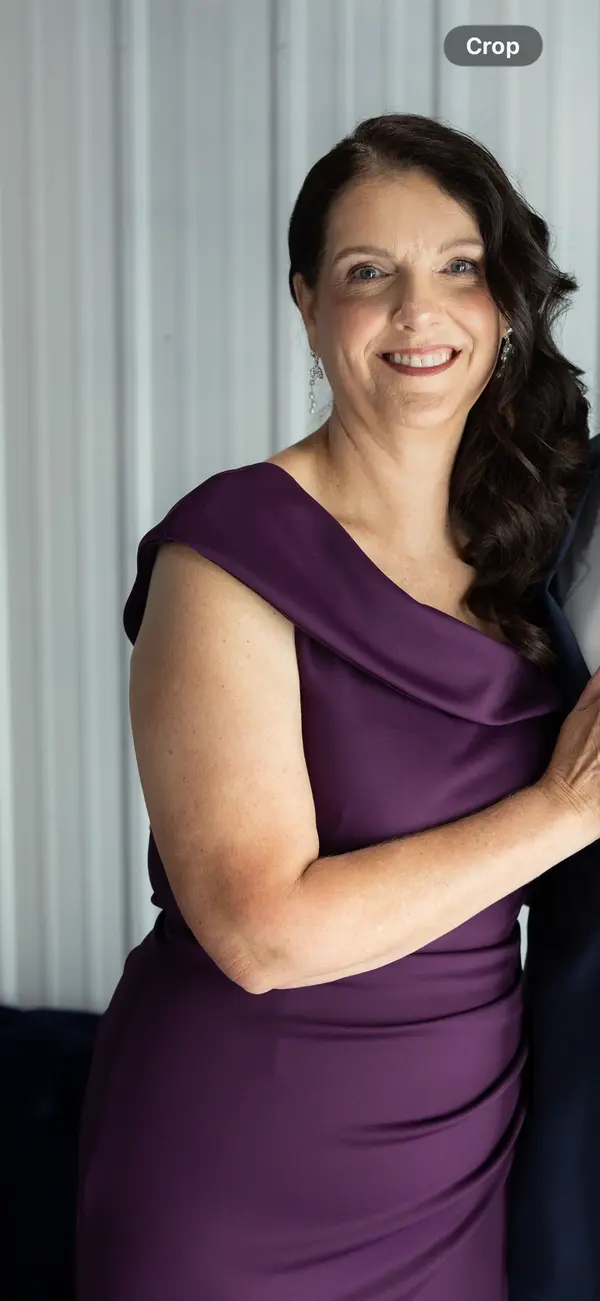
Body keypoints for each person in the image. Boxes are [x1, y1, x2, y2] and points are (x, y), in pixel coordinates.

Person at [75, 113, 600, 1301]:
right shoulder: (227, 552)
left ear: (505, 301)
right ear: (309, 303)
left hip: (462, 1161)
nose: (420, 311)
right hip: (236, 1164)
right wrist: (567, 811)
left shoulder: (535, 540)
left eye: (458, 265)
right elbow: (258, 930)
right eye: (371, 273)